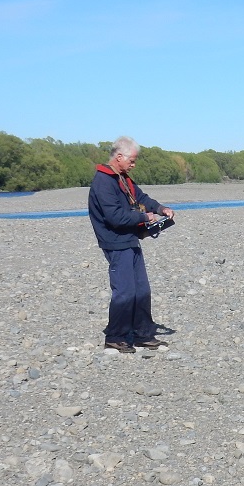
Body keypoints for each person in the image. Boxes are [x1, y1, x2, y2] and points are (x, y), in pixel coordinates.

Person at [88, 136, 175, 353]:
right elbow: (115, 217)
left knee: (142, 290)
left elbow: (142, 198)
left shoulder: (123, 178)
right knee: (125, 292)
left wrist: (160, 209)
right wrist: (146, 218)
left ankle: (143, 334)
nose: (134, 165)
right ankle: (115, 337)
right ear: (119, 157)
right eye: (132, 160)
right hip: (115, 242)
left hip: (130, 240)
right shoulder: (103, 181)